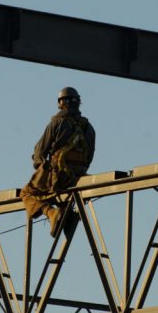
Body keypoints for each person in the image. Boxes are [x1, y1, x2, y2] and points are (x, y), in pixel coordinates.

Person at [20, 87, 96, 237]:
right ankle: (65, 212)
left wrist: (41, 168)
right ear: (78, 103)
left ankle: (52, 213)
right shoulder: (89, 128)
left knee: (28, 192)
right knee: (59, 193)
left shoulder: (57, 123)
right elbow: (90, 156)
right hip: (79, 177)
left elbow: (39, 152)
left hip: (59, 176)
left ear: (61, 103)